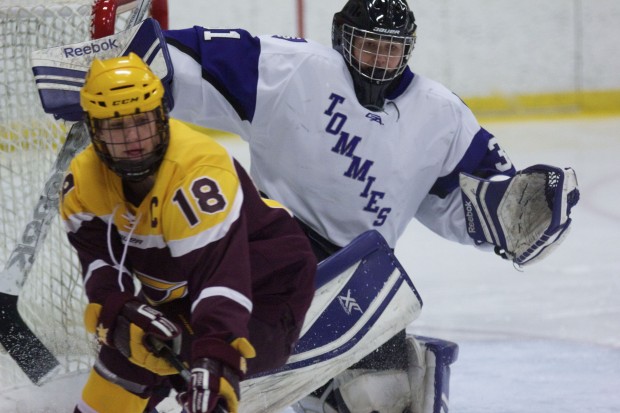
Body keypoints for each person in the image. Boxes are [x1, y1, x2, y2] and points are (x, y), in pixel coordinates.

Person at [159, 0, 580, 411]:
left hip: (358, 275)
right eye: (369, 45)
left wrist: (512, 217)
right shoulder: (293, 67)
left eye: (392, 48)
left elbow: (471, 204)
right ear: (342, 39)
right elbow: (188, 59)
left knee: (388, 396)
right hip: (269, 251)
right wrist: (139, 65)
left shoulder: (442, 116)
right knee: (226, 379)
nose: (380, 59)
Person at [60, 52, 317, 413]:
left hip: (265, 290)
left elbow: (221, 280)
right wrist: (118, 308)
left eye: (142, 121)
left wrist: (216, 355)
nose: (132, 138)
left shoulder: (198, 174)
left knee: (195, 375)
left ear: (161, 115)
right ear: (94, 129)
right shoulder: (83, 183)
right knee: (126, 354)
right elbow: (101, 264)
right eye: (116, 127)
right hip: (184, 292)